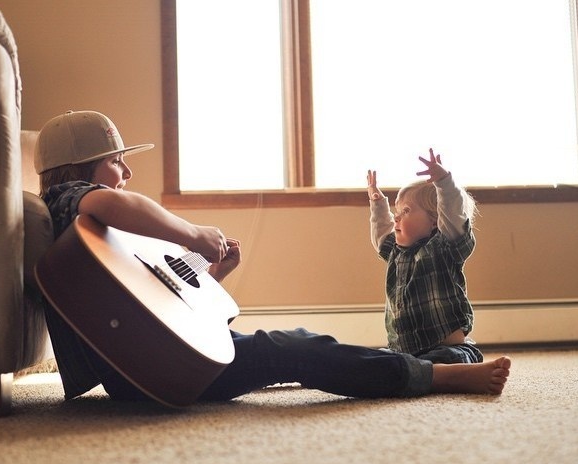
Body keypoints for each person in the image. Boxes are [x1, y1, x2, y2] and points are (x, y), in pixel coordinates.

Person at [35, 111, 510, 405]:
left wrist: (211, 273)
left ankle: (401, 366)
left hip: (150, 359)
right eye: (117, 160)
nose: (128, 171)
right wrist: (193, 233)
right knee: (296, 347)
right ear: (80, 167)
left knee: (284, 352)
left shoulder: (89, 240)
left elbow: (144, 306)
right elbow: (114, 202)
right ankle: (435, 374)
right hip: (151, 370)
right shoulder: (69, 201)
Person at [367, 149, 482, 364]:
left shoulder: (444, 247)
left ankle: (452, 372)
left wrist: (444, 182)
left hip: (447, 347)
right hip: (406, 351)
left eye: (407, 211)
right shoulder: (396, 252)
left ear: (435, 220)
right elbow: (382, 232)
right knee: (378, 360)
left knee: (448, 358)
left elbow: (452, 213)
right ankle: (417, 371)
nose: (397, 218)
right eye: (397, 211)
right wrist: (378, 204)